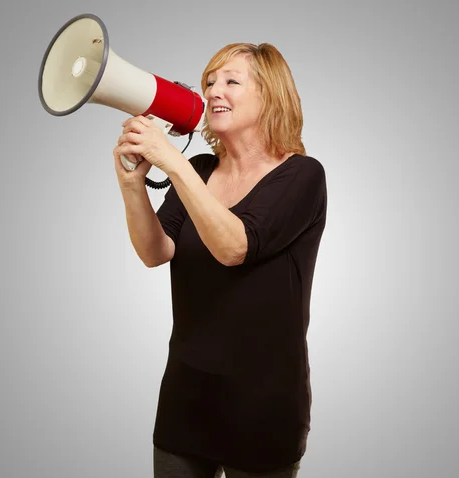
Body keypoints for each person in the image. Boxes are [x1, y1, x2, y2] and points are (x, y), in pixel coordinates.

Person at [113, 42, 327, 478]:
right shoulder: (201, 168)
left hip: (262, 410)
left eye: (231, 81)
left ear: (272, 96)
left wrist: (171, 162)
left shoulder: (302, 176)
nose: (213, 91)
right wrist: (133, 185)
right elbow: (155, 252)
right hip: (185, 400)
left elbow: (235, 246)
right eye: (210, 81)